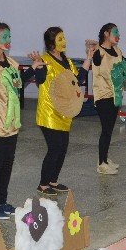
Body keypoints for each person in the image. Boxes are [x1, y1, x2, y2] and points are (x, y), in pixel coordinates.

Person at [0, 22, 45, 220]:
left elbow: (18, 84)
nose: (8, 40)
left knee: (8, 161)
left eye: (9, 37)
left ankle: (2, 201)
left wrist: (33, 68)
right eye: (4, 37)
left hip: (11, 120)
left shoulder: (11, 62)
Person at [34, 27, 94, 196]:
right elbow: (40, 80)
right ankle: (43, 184)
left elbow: (78, 79)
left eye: (64, 38)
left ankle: (53, 180)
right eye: (60, 39)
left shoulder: (67, 61)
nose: (64, 42)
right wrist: (38, 67)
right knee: (54, 148)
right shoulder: (45, 60)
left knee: (62, 148)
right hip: (49, 112)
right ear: (51, 43)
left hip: (64, 112)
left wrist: (89, 58)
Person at [91, 23, 126, 175]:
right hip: (103, 96)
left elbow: (125, 65)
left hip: (115, 95)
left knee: (109, 130)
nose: (118, 36)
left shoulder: (117, 50)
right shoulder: (99, 52)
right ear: (106, 34)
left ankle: (104, 159)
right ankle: (101, 164)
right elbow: (96, 60)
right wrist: (92, 49)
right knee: (106, 130)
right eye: (115, 32)